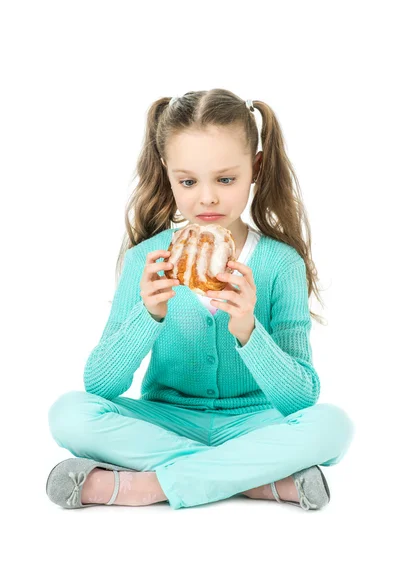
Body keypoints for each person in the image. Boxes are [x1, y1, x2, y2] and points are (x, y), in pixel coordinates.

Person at [46, 88, 355, 511]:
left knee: (332, 427)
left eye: (225, 179)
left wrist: (248, 330)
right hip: (167, 420)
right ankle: (256, 479)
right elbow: (100, 385)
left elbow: (300, 398)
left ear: (256, 169)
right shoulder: (146, 259)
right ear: (167, 173)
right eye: (188, 181)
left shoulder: (281, 264)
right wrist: (149, 314)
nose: (207, 197)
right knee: (69, 414)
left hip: (252, 423)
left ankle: (150, 485)